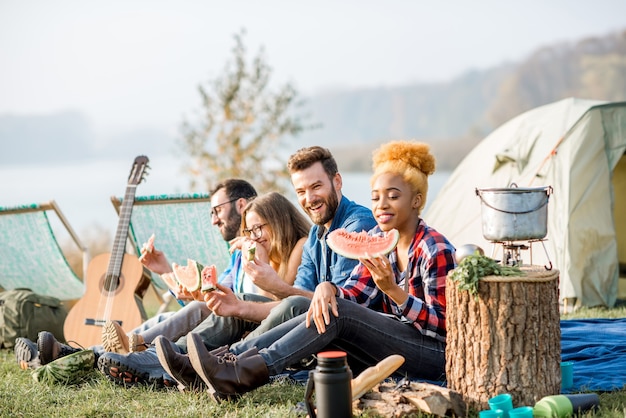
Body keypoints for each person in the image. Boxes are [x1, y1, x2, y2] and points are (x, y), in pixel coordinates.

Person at [162, 140, 457, 401]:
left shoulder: (434, 248)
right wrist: (330, 289)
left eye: (393, 196)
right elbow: (354, 295)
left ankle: (237, 370)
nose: (381, 205)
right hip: (387, 347)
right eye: (376, 197)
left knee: (334, 311)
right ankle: (226, 365)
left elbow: (444, 327)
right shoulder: (381, 244)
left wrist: (395, 292)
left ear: (416, 200)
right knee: (330, 305)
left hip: (432, 355)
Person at [97, 146, 377, 389]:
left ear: (337, 181)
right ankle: (161, 360)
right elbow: (303, 297)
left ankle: (216, 364)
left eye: (317, 187)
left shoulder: (356, 224)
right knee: (236, 305)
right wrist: (238, 303)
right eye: (301, 191)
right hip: (313, 329)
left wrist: (275, 286)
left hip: (353, 340)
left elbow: (340, 307)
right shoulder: (318, 235)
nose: (309, 198)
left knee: (282, 305)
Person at [14, 178, 257, 369]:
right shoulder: (235, 255)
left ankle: (88, 354)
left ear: (241, 204)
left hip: (241, 325)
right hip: (221, 318)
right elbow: (208, 303)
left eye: (217, 210)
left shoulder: (262, 245)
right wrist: (164, 270)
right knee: (165, 318)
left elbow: (211, 307)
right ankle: (82, 354)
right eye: (211, 213)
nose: (213, 220)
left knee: (190, 311)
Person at [97, 191, 312, 387]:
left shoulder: (298, 247)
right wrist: (167, 273)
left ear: (279, 221)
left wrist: (259, 265)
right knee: (197, 308)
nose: (255, 236)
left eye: (259, 228)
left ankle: (149, 352)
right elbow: (218, 295)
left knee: (201, 311)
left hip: (268, 327)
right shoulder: (250, 255)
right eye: (250, 230)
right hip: (238, 320)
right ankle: (141, 352)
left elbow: (283, 304)